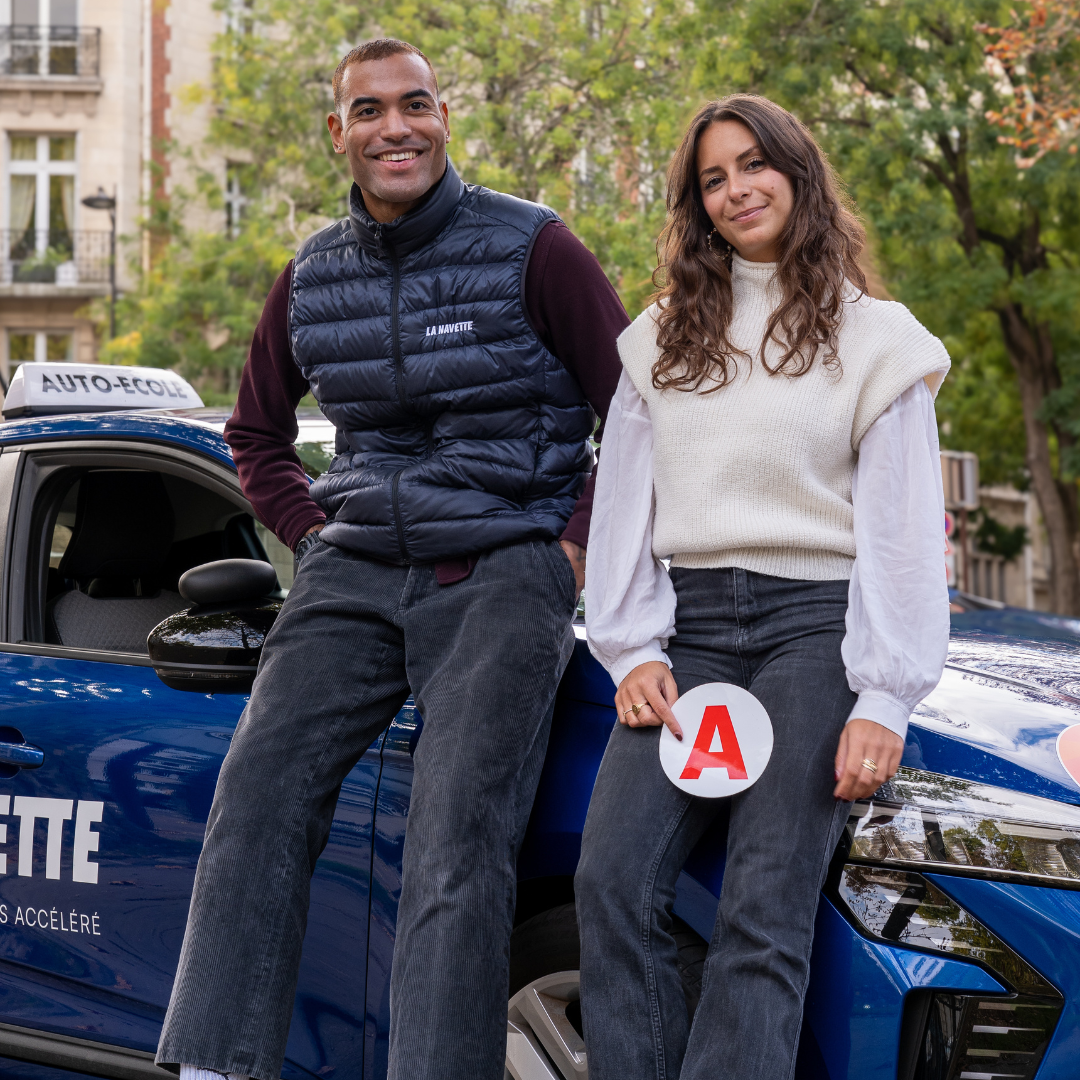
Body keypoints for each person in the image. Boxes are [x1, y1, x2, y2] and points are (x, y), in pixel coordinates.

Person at [155, 38, 627, 1080]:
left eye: (414, 105)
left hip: (503, 569)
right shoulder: (312, 274)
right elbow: (254, 434)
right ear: (339, 134)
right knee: (258, 795)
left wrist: (570, 550)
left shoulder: (535, 246)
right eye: (368, 112)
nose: (394, 127)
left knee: (456, 847)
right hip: (353, 569)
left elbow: (637, 412)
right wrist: (314, 536)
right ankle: (214, 1066)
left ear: (444, 117)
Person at [574, 94, 951, 1080]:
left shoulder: (880, 340)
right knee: (611, 882)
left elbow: (903, 532)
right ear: (698, 204)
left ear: (797, 170)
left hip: (812, 632)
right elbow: (622, 507)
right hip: (688, 635)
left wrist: (884, 696)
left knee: (763, 907)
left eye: (753, 165)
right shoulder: (660, 340)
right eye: (713, 177)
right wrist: (631, 648)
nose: (736, 188)